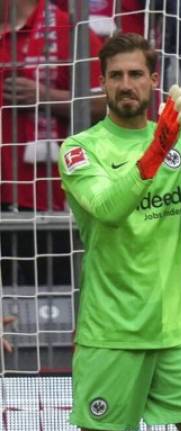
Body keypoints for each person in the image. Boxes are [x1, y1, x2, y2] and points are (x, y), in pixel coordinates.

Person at [58, 32, 181, 431]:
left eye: (136, 74)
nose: (126, 84)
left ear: (153, 79)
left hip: (174, 331)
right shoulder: (80, 149)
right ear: (103, 83)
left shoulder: (179, 139)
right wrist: (157, 149)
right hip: (111, 333)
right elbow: (107, 208)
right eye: (116, 75)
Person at [0, 0, 105, 287]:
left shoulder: (66, 28)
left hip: (45, 201)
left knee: (51, 302)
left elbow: (110, 101)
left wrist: (45, 96)